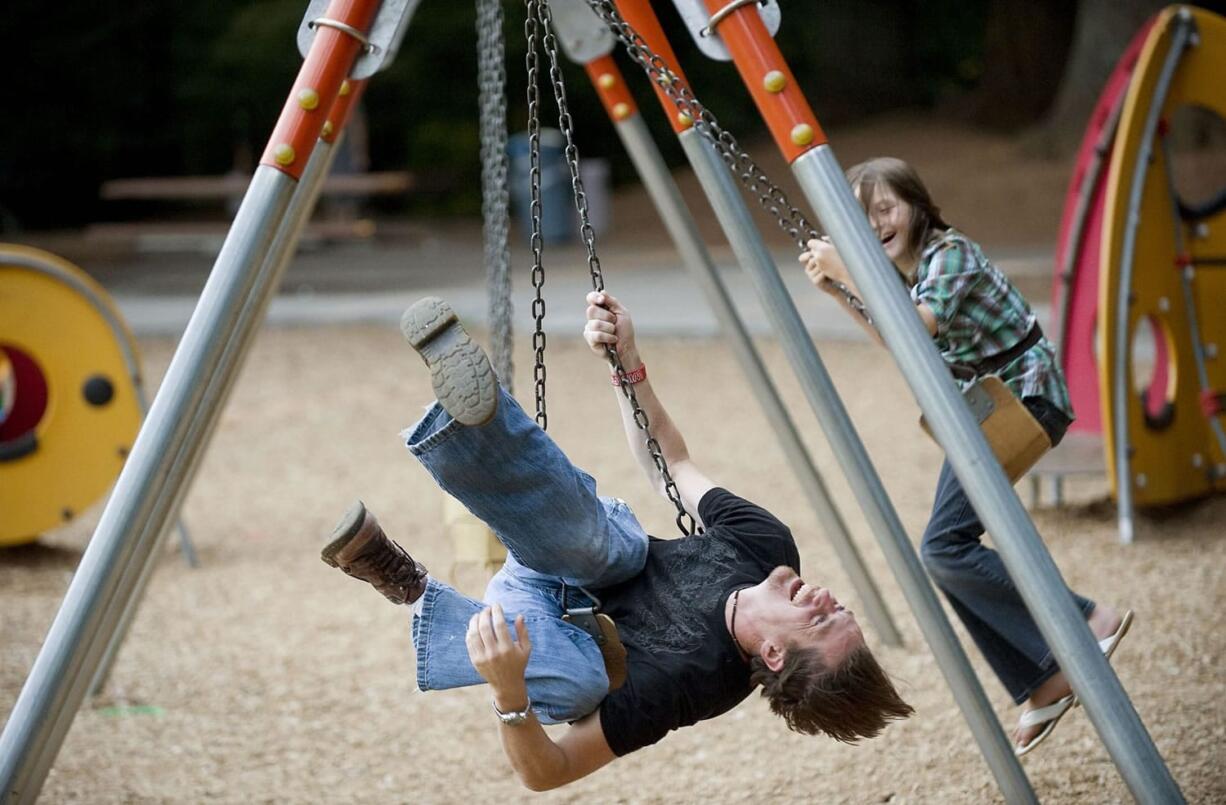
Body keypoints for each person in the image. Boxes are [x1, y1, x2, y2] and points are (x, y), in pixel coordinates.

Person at [322, 294, 912, 790]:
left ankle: (415, 588)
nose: (826, 598)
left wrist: (507, 693)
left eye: (821, 621)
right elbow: (670, 462)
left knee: (579, 685)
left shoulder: (686, 684)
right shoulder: (765, 544)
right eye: (841, 609)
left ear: (776, 656)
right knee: (610, 554)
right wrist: (626, 362)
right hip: (577, 541)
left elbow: (549, 772)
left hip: (538, 624)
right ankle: (465, 437)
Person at [798, 157, 1133, 756]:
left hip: (1024, 398)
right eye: (861, 215)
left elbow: (920, 329)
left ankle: (1085, 621)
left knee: (944, 548)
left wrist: (852, 266)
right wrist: (845, 290)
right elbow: (899, 341)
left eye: (885, 208)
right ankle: (1042, 678)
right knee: (943, 555)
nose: (876, 222)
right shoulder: (906, 274)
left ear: (917, 205)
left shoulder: (947, 254)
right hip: (984, 408)